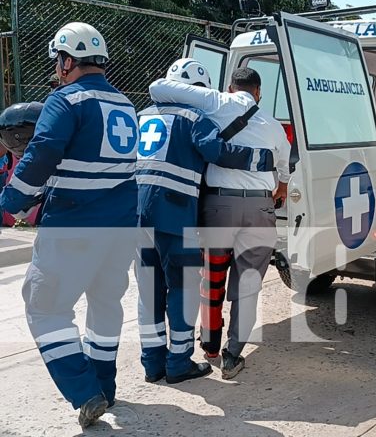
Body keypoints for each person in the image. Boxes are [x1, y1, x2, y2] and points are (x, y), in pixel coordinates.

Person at [0, 22, 138, 428]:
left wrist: (12, 199)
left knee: (44, 308)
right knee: (105, 305)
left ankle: (84, 391)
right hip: (121, 227)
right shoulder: (126, 105)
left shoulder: (66, 100)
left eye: (59, 61)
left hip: (75, 224)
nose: (57, 69)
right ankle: (106, 387)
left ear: (68, 60)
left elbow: (42, 154)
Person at [135, 58, 274, 384]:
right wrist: (261, 158)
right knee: (180, 290)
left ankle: (152, 364)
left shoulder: (142, 116)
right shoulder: (194, 117)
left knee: (149, 292)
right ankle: (179, 362)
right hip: (175, 213)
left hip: (137, 214)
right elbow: (216, 151)